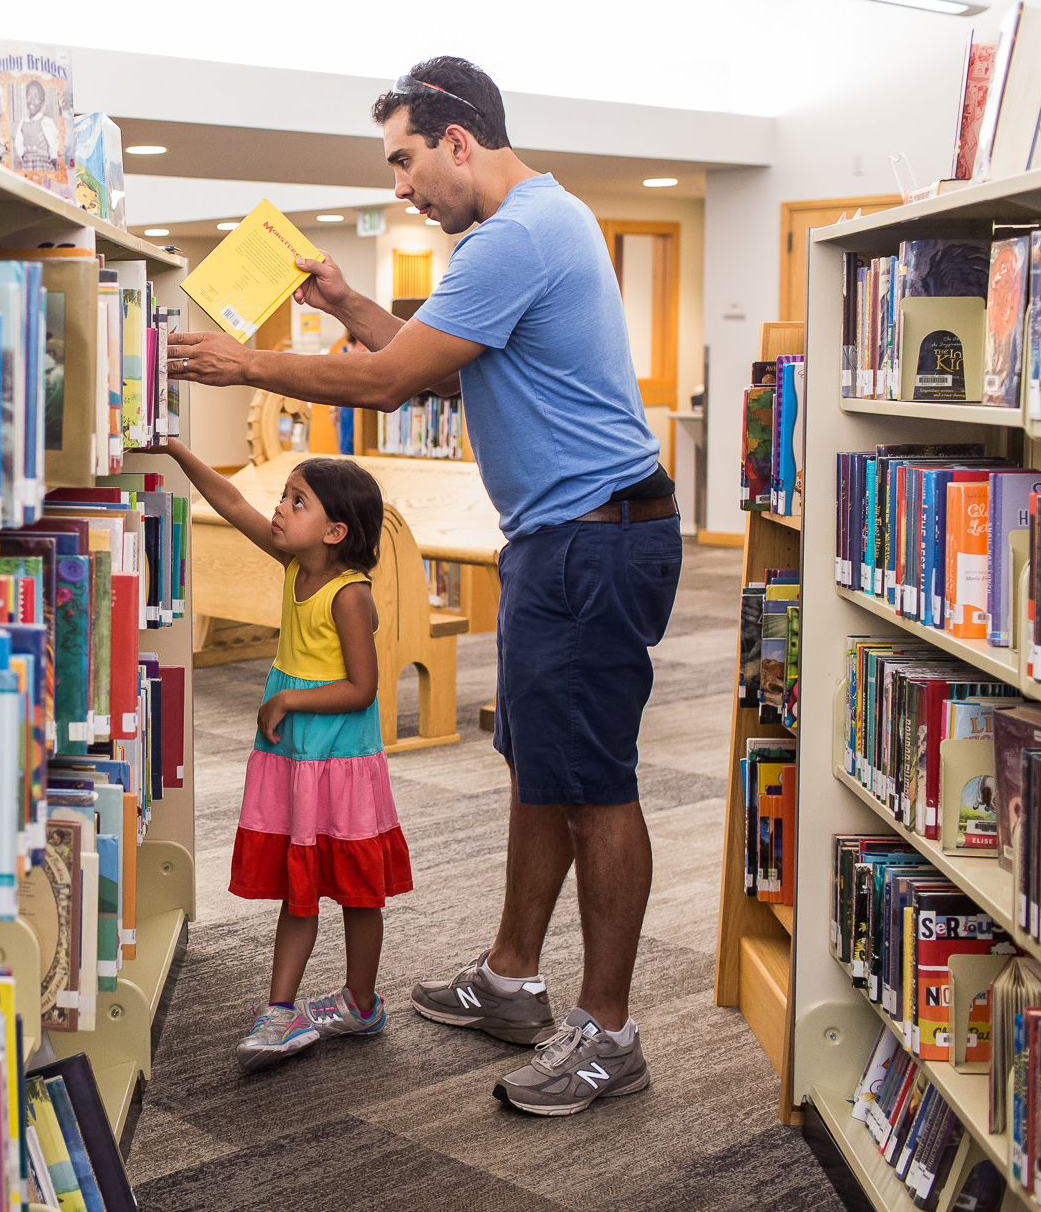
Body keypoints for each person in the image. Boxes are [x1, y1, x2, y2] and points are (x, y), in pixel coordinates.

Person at [167, 55, 681, 1117]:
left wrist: (247, 363)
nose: (400, 186)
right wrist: (347, 300)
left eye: (404, 160)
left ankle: (609, 1033)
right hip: (561, 539)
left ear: (458, 140)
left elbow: (390, 381)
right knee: (540, 773)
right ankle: (509, 977)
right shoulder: (532, 227)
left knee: (594, 788)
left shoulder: (516, 234)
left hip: (592, 543)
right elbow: (439, 368)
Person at [156, 439, 412, 1073]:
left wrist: (289, 704)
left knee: (356, 889)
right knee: (299, 885)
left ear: (334, 530)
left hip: (341, 758)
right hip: (296, 758)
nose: (279, 508)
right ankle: (281, 1007)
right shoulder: (295, 564)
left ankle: (360, 1001)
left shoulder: (349, 594)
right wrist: (180, 452)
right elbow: (234, 501)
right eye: (285, 495)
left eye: (297, 501)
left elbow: (362, 687)